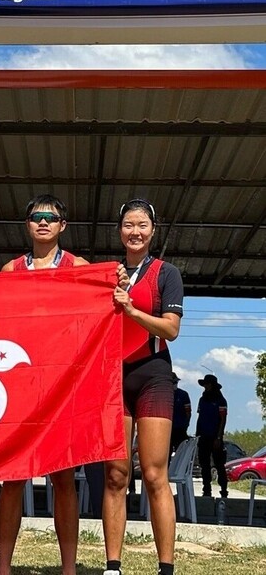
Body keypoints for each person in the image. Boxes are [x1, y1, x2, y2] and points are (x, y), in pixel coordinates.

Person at [0, 194, 88, 575]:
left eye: (51, 217)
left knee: (63, 478)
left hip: (62, 386)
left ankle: (68, 568)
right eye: (37, 217)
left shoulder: (80, 267)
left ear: (63, 226)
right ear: (27, 225)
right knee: (13, 479)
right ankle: (4, 566)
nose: (44, 223)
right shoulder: (10, 269)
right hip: (20, 385)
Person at [103, 199, 184, 575]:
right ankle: (113, 566)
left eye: (142, 225)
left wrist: (132, 311)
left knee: (154, 474)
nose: (135, 231)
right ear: (119, 230)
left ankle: (165, 567)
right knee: (116, 474)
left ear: (153, 230)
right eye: (128, 225)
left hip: (153, 373)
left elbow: (171, 329)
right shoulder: (107, 273)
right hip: (112, 377)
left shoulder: (167, 273)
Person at [195, 374, 228, 498]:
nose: (206, 387)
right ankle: (206, 489)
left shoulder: (220, 400)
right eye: (205, 384)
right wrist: (197, 434)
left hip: (215, 437)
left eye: (208, 384)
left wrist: (218, 437)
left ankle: (224, 490)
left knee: (219, 465)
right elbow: (200, 417)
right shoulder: (202, 399)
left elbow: (223, 419)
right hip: (203, 436)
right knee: (204, 464)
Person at [170, 373, 192, 457]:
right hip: (167, 429)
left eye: (176, 382)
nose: (175, 384)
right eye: (173, 382)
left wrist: (185, 425)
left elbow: (188, 413)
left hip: (180, 429)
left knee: (181, 454)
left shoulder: (183, 395)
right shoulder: (165, 395)